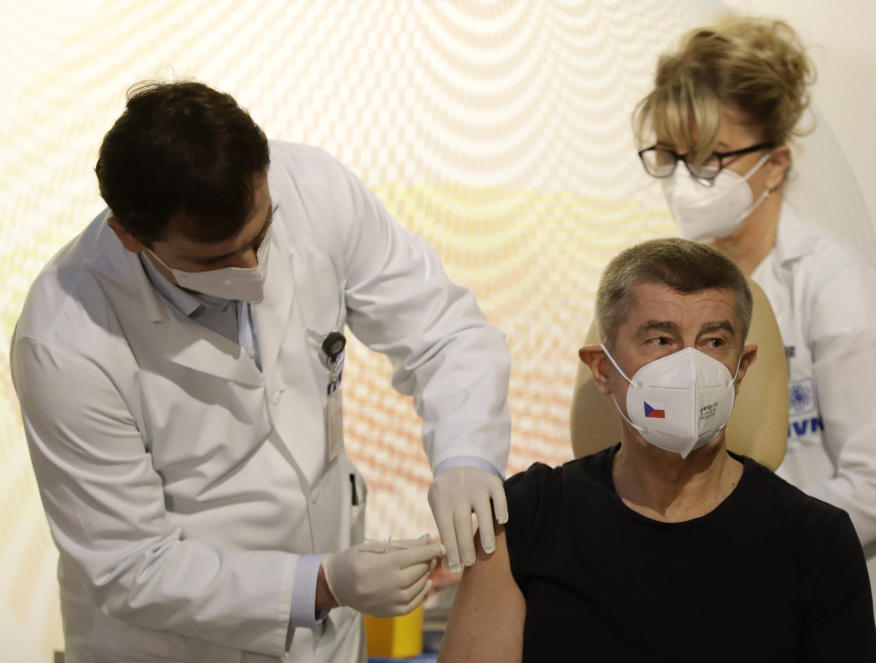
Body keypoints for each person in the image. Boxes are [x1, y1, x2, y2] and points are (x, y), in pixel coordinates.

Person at [11, 81, 511, 663]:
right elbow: (129, 565)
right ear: (130, 237)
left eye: (262, 234)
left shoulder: (313, 190)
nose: (252, 270)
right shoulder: (65, 339)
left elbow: (444, 332)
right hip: (177, 647)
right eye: (215, 259)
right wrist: (321, 583)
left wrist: (466, 459)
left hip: (329, 640)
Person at [631, 16, 876, 662]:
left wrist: (730, 528)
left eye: (711, 159)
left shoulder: (836, 288)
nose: (686, 180)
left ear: (774, 163)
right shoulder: (677, 292)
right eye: (672, 157)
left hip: (840, 618)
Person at [439, 238, 876, 662]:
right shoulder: (526, 519)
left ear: (741, 368)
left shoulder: (815, 543)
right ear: (602, 368)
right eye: (661, 341)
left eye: (713, 342)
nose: (689, 369)